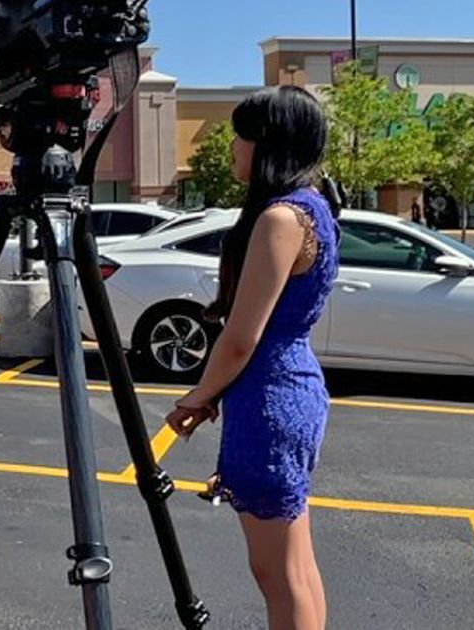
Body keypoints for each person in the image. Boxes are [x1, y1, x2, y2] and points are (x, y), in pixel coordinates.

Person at [165, 86, 340, 630]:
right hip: (291, 387)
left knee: (278, 572)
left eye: (241, 136)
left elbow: (242, 336)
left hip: (270, 397)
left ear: (268, 144)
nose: (233, 148)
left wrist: (198, 396)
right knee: (296, 566)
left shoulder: (280, 219)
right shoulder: (313, 207)